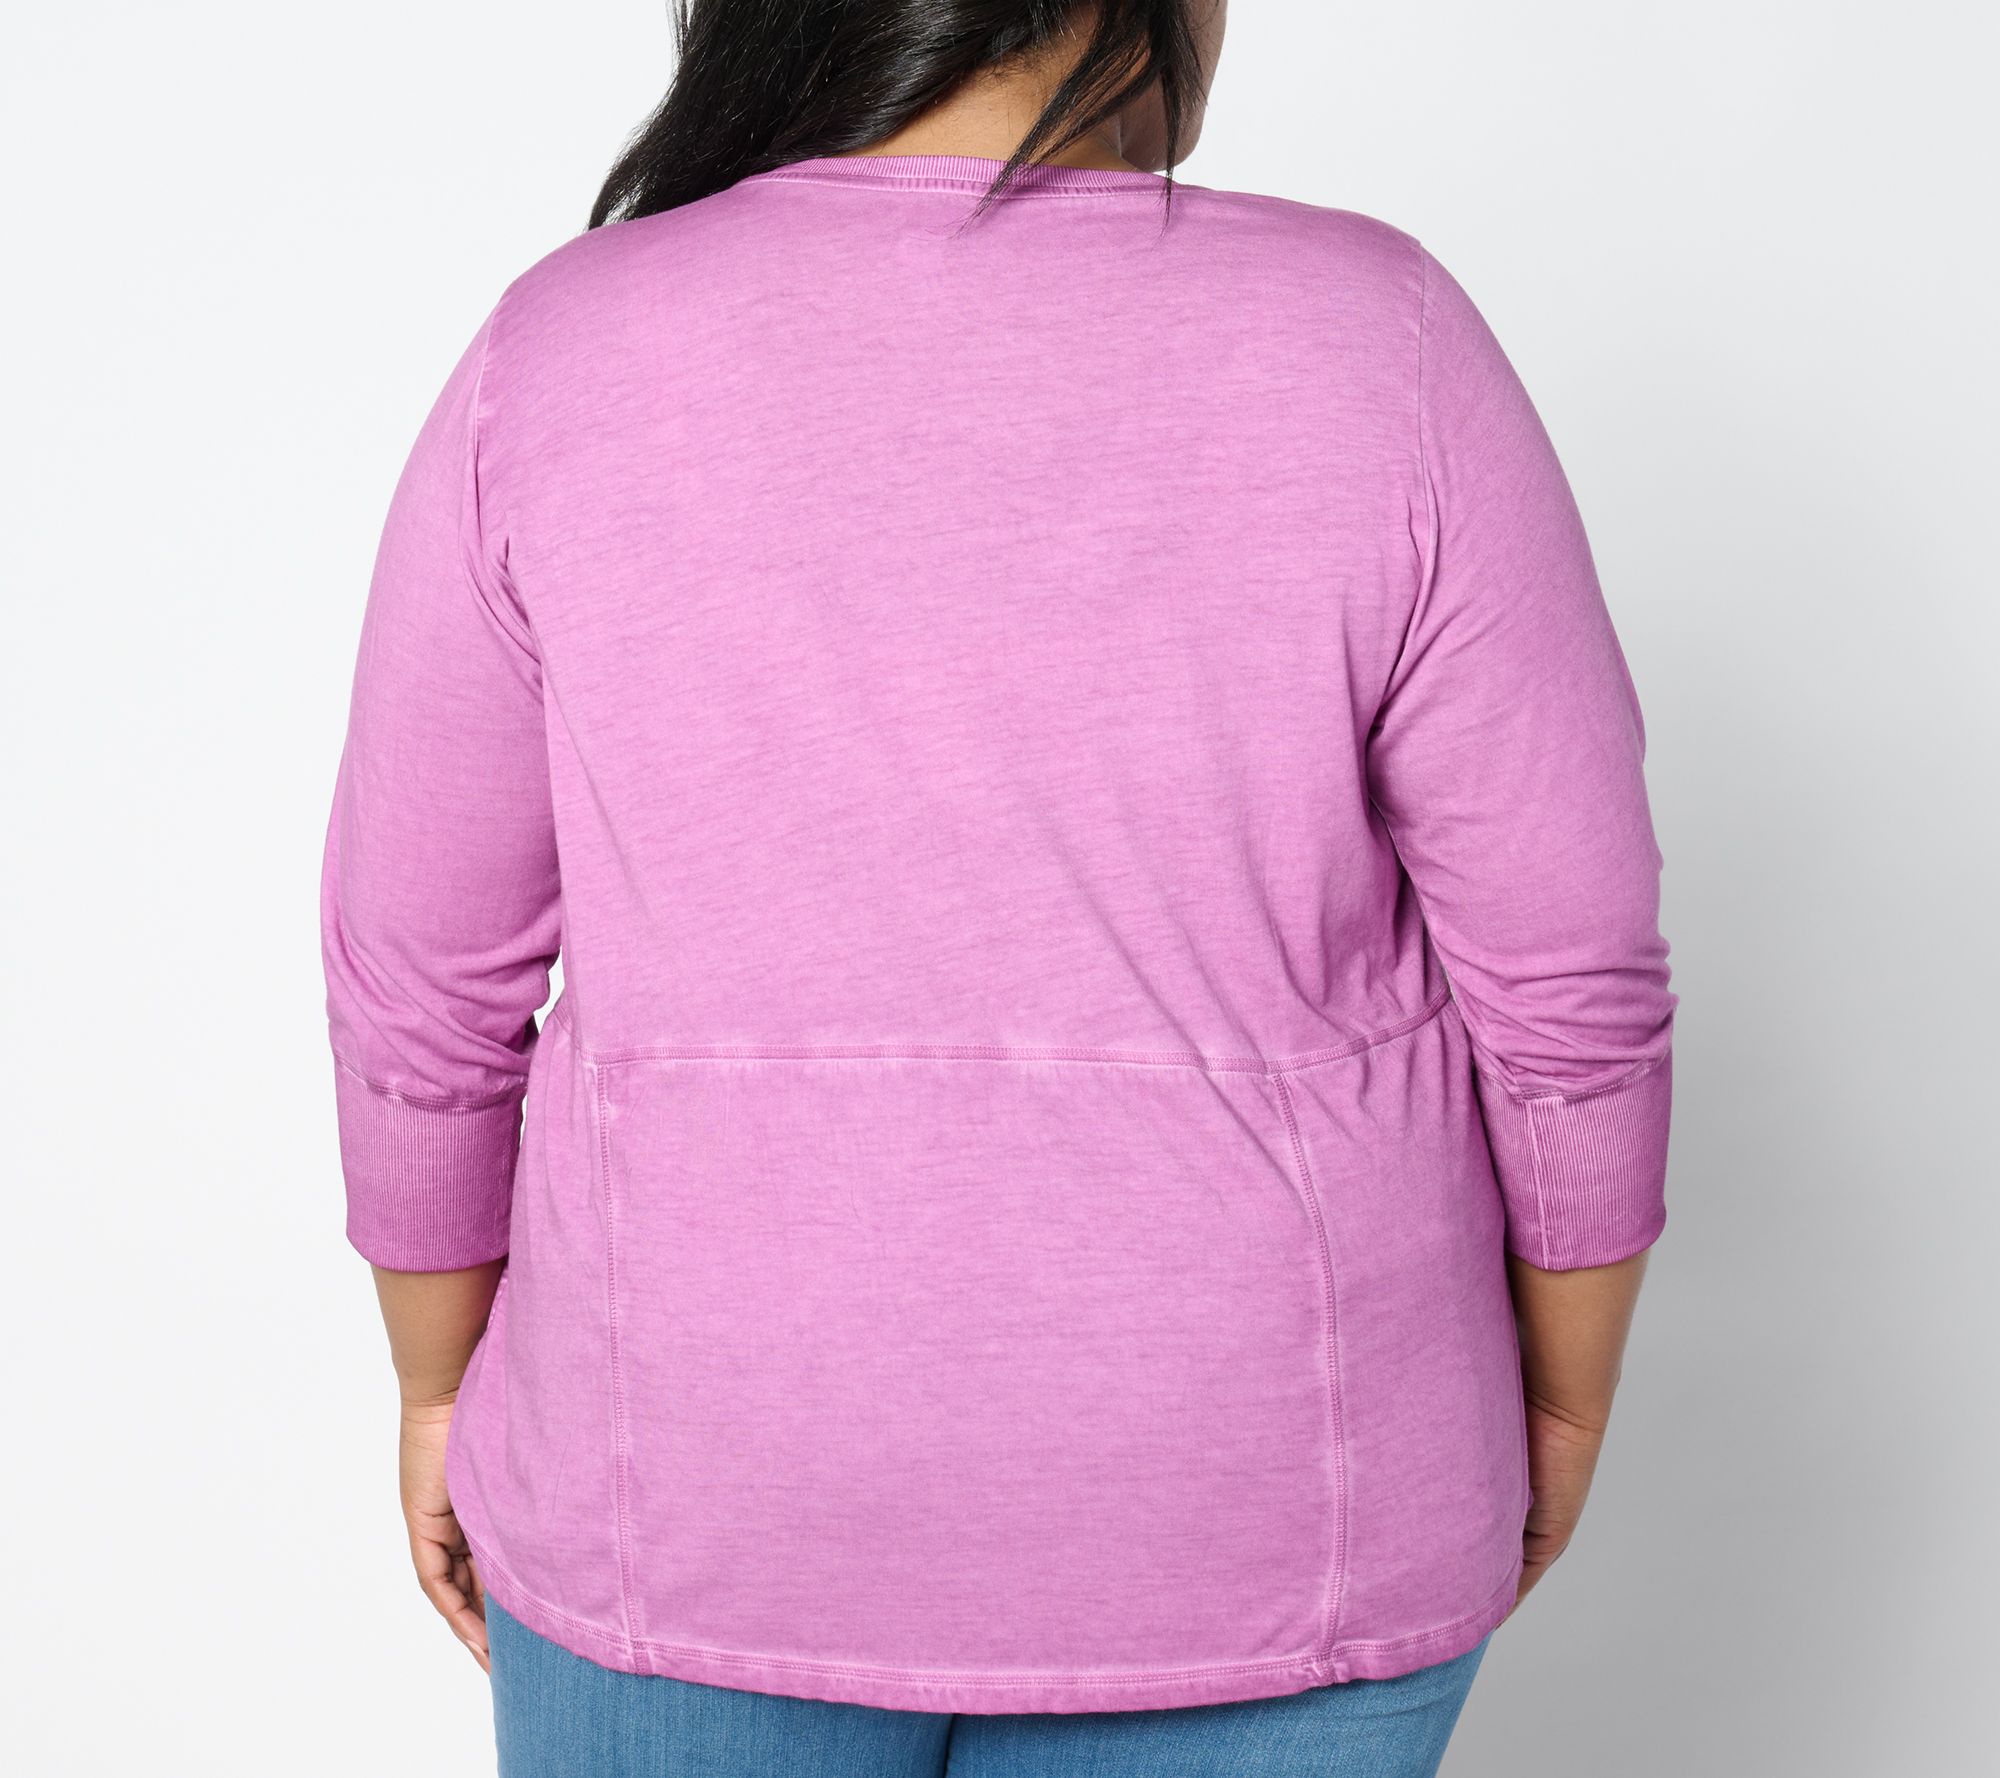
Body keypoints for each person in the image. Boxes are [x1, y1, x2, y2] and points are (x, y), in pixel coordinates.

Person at [319, 3, 1675, 1772]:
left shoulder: (563, 350)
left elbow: (421, 982)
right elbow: (1571, 983)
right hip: (1279, 1494)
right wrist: (1562, 1398)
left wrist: (440, 1382)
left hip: (698, 1479)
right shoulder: (1384, 338)